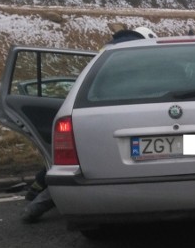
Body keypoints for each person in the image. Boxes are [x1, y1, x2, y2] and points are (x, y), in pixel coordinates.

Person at [21, 26, 159, 223]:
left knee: (77, 165)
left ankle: (35, 199)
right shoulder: (137, 53)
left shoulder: (107, 52)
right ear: (146, 39)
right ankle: (35, 205)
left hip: (100, 113)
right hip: (125, 113)